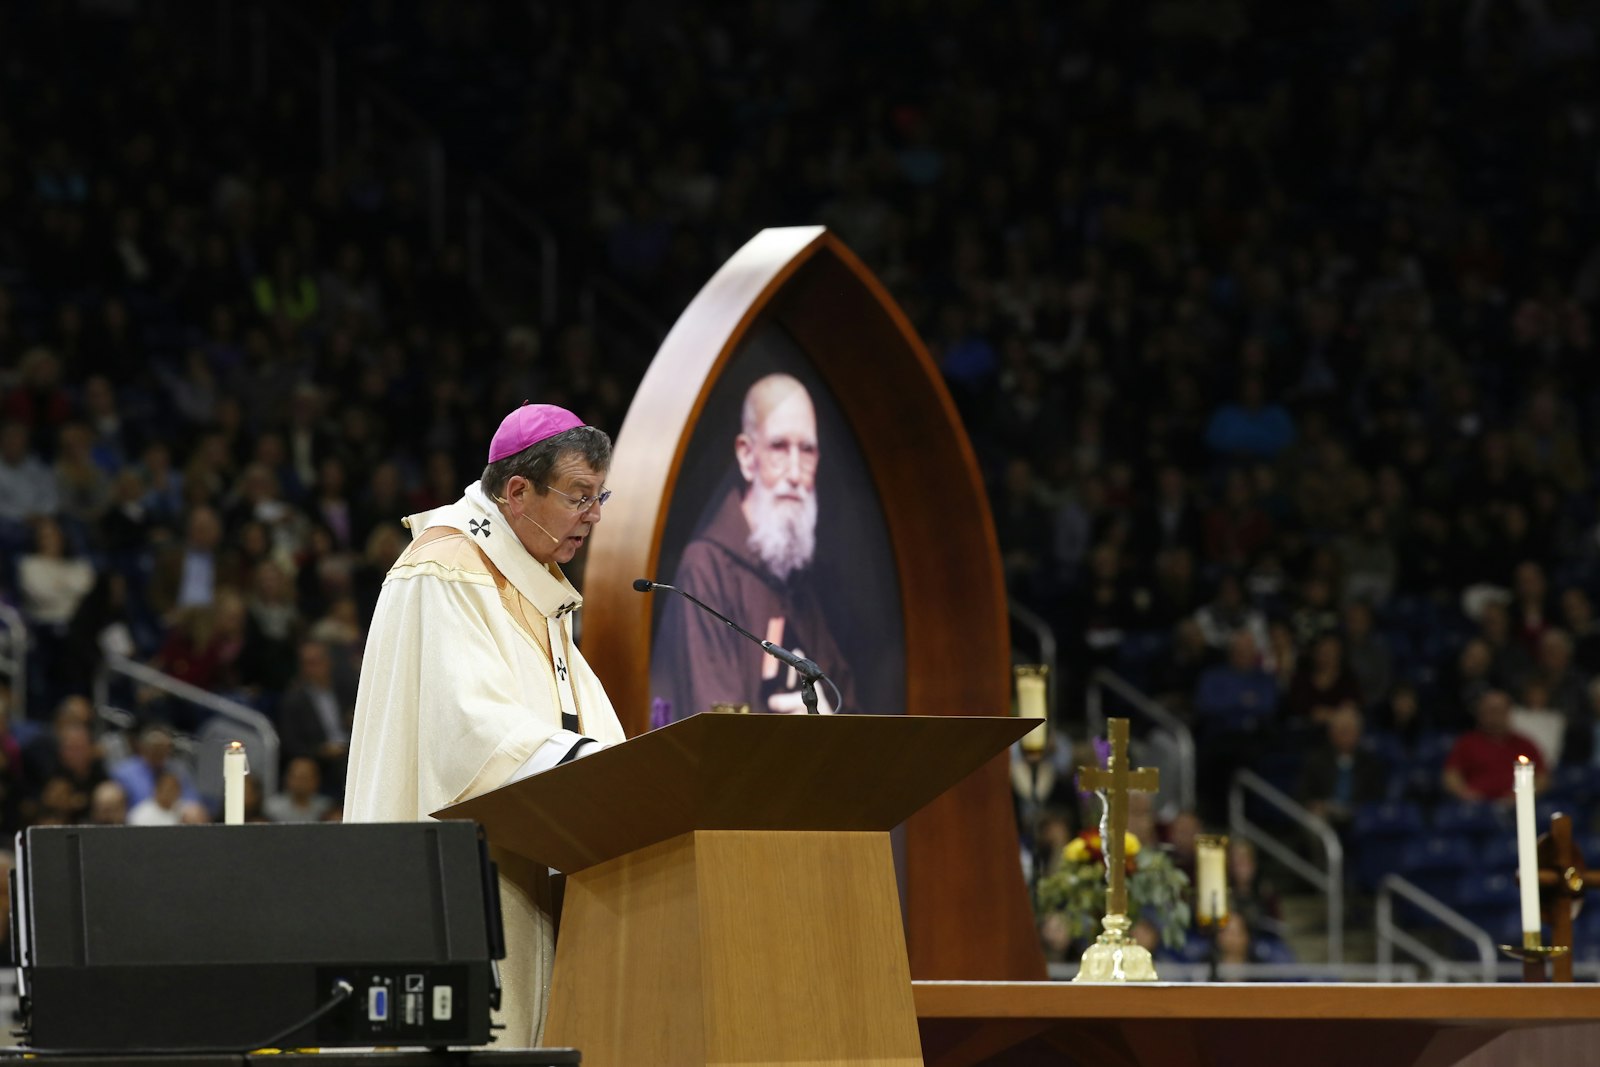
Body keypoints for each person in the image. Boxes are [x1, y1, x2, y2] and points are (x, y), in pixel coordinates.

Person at [343, 403, 628, 1047]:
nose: (596, 515)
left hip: (528, 858)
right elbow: (469, 735)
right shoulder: (447, 568)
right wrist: (592, 767)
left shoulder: (532, 580)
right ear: (518, 491)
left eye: (600, 496)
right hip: (462, 874)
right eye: (580, 496)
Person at [651, 373, 857, 719]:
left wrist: (823, 714)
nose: (795, 472)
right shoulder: (707, 566)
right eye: (779, 447)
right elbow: (718, 722)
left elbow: (842, 696)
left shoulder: (789, 569)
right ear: (747, 456)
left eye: (806, 450)